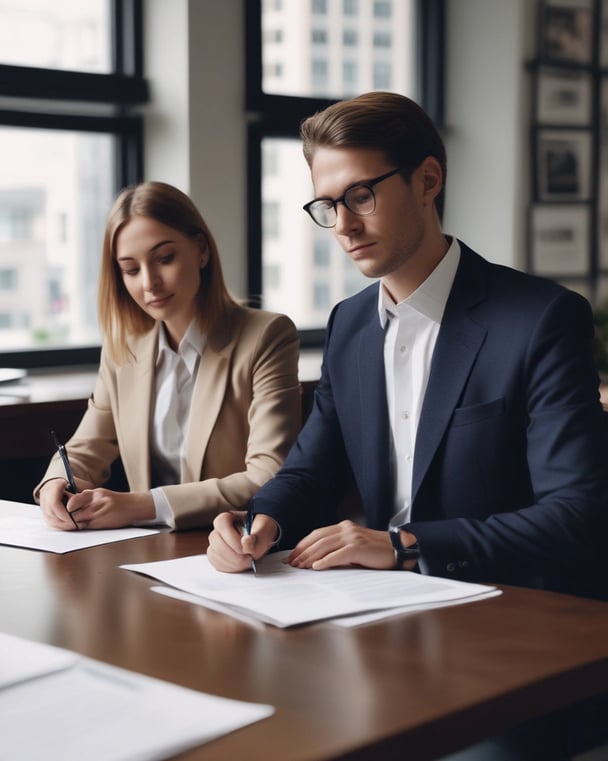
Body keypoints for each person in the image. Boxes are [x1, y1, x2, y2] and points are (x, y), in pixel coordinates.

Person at [206, 92, 607, 757]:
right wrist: (260, 520)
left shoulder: (539, 319)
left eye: (360, 195)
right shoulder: (349, 324)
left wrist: (405, 542)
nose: (342, 225)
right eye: (327, 206)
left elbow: (581, 512)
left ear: (428, 180)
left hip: (508, 634)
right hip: (368, 621)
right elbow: (311, 466)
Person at [35, 181, 301, 531]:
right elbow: (86, 448)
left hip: (237, 544)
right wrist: (55, 483)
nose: (149, 283)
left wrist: (141, 505)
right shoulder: (124, 349)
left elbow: (268, 475)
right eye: (131, 270)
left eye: (164, 259)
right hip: (147, 550)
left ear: (201, 250)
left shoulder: (266, 336)